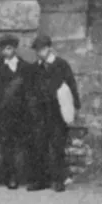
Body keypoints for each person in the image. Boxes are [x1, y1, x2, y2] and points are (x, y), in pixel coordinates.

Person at [29, 34, 80, 192]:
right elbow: (31, 88)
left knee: (57, 146)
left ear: (50, 48)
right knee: (39, 146)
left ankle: (59, 180)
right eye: (37, 50)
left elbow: (71, 84)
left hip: (57, 112)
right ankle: (41, 180)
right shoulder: (35, 67)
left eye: (43, 49)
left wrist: (75, 105)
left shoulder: (61, 64)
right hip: (40, 112)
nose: (40, 53)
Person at [0, 34, 34, 190]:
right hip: (5, 114)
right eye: (3, 49)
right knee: (7, 145)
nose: (6, 52)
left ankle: (30, 176)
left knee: (28, 141)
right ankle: (11, 176)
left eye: (9, 48)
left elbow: (31, 91)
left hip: (23, 113)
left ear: (14, 49)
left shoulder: (25, 67)